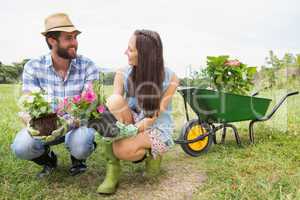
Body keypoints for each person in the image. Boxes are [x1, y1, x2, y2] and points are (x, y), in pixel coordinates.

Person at [11, 13, 99, 178]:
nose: (74, 42)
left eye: (75, 37)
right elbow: (28, 102)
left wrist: (75, 118)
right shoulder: (33, 66)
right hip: (47, 125)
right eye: (68, 38)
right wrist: (30, 119)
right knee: (21, 147)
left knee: (80, 145)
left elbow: (91, 100)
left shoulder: (87, 65)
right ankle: (48, 159)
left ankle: (77, 158)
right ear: (52, 40)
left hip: (77, 124)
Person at [95, 29, 179, 194]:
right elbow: (114, 108)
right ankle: (112, 168)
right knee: (114, 100)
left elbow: (153, 117)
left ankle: (153, 155)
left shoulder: (171, 78)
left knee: (122, 150)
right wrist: (103, 122)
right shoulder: (122, 73)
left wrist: (133, 130)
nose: (125, 52)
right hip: (133, 119)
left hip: (156, 126)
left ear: (146, 54)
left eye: (130, 49)